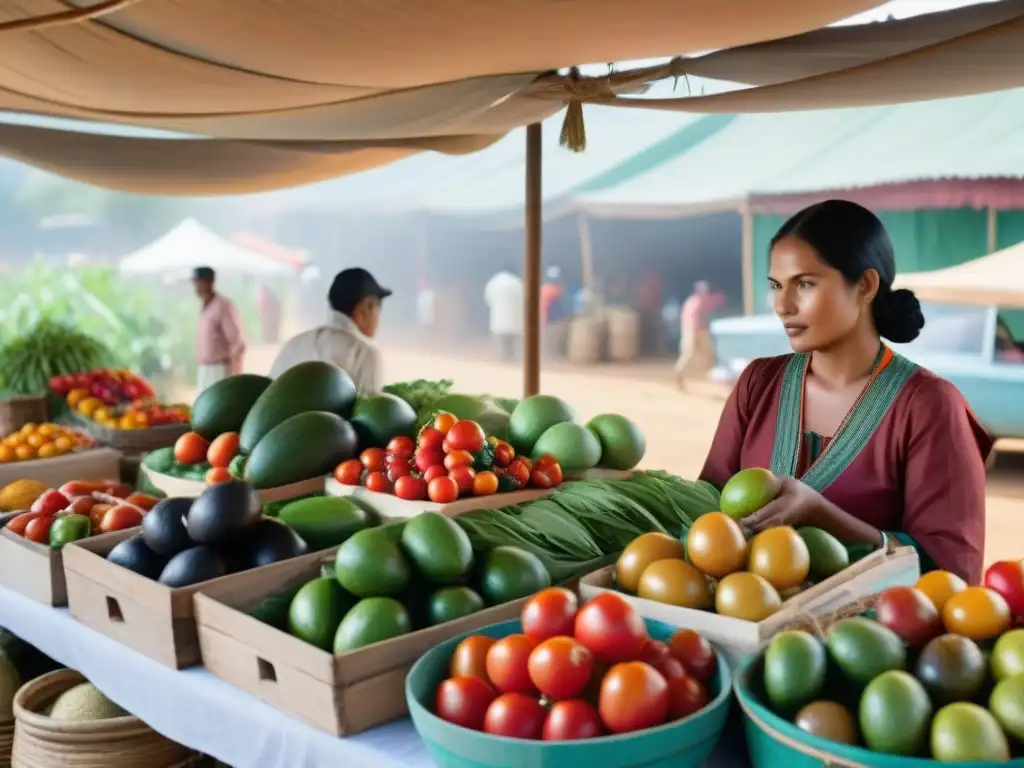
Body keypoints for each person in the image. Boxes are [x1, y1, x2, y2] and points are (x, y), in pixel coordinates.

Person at [700, 200, 990, 584]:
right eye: (776, 286)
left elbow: (954, 572)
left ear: (866, 286)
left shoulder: (927, 405)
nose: (783, 306)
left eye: (805, 284)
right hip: (743, 625)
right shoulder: (757, 383)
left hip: (869, 638)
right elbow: (706, 509)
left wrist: (820, 514)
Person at [269, 267, 389, 393]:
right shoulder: (365, 354)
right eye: (378, 306)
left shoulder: (294, 344)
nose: (379, 316)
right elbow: (372, 409)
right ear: (365, 308)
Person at [193, 266, 246, 393]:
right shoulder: (206, 306)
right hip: (205, 369)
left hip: (219, 370)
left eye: (198, 283)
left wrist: (234, 373)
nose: (196, 288)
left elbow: (237, 343)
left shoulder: (222, 306)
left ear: (209, 282)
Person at [674, 281, 724, 388]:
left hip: (689, 330)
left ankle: (680, 372)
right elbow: (706, 311)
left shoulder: (690, 301)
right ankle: (708, 375)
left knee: (691, 354)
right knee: (709, 353)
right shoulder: (700, 301)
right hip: (698, 331)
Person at [483, 268, 524, 361]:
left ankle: (501, 357)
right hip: (514, 317)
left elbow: (487, 297)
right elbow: (524, 299)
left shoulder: (494, 281)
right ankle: (511, 356)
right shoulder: (517, 282)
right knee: (512, 339)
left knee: (500, 338)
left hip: (498, 316)